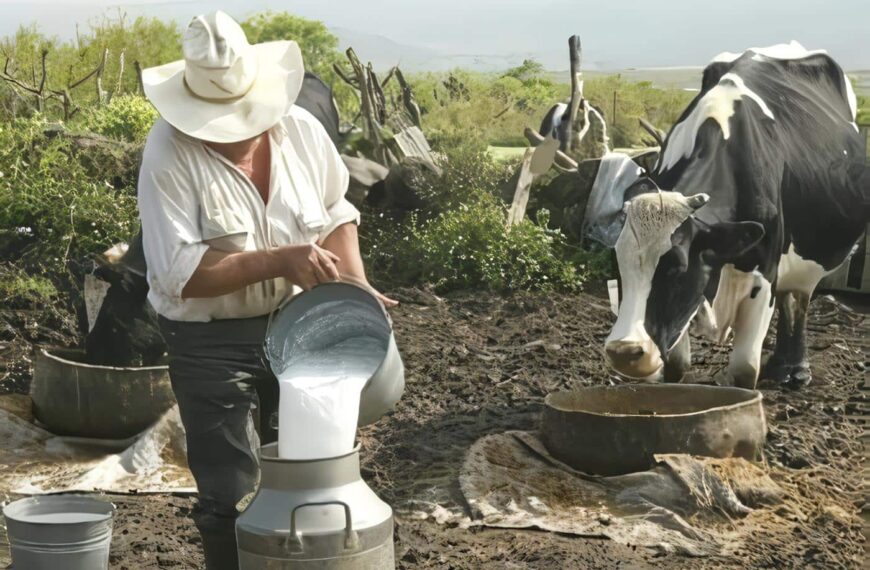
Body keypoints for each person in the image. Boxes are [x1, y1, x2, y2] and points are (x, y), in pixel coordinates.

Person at [138, 11, 395, 569]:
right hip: (208, 339)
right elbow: (182, 274)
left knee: (310, 469)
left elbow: (335, 213)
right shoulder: (167, 156)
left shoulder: (300, 131)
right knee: (232, 488)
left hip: (297, 322)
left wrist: (355, 284)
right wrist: (281, 258)